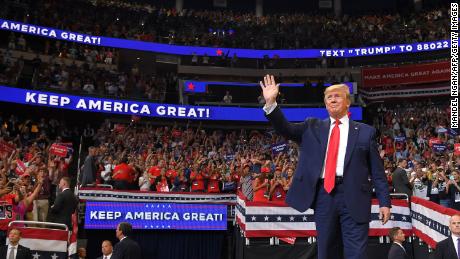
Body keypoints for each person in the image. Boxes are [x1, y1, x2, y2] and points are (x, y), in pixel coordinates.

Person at [260, 75, 391, 259]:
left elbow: (377, 171)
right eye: (329, 97)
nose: (332, 99)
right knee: (327, 252)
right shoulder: (312, 126)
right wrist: (271, 104)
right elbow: (286, 129)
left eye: (337, 96)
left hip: (355, 196)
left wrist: (385, 202)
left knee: (357, 254)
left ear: (347, 102)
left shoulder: (365, 132)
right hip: (324, 196)